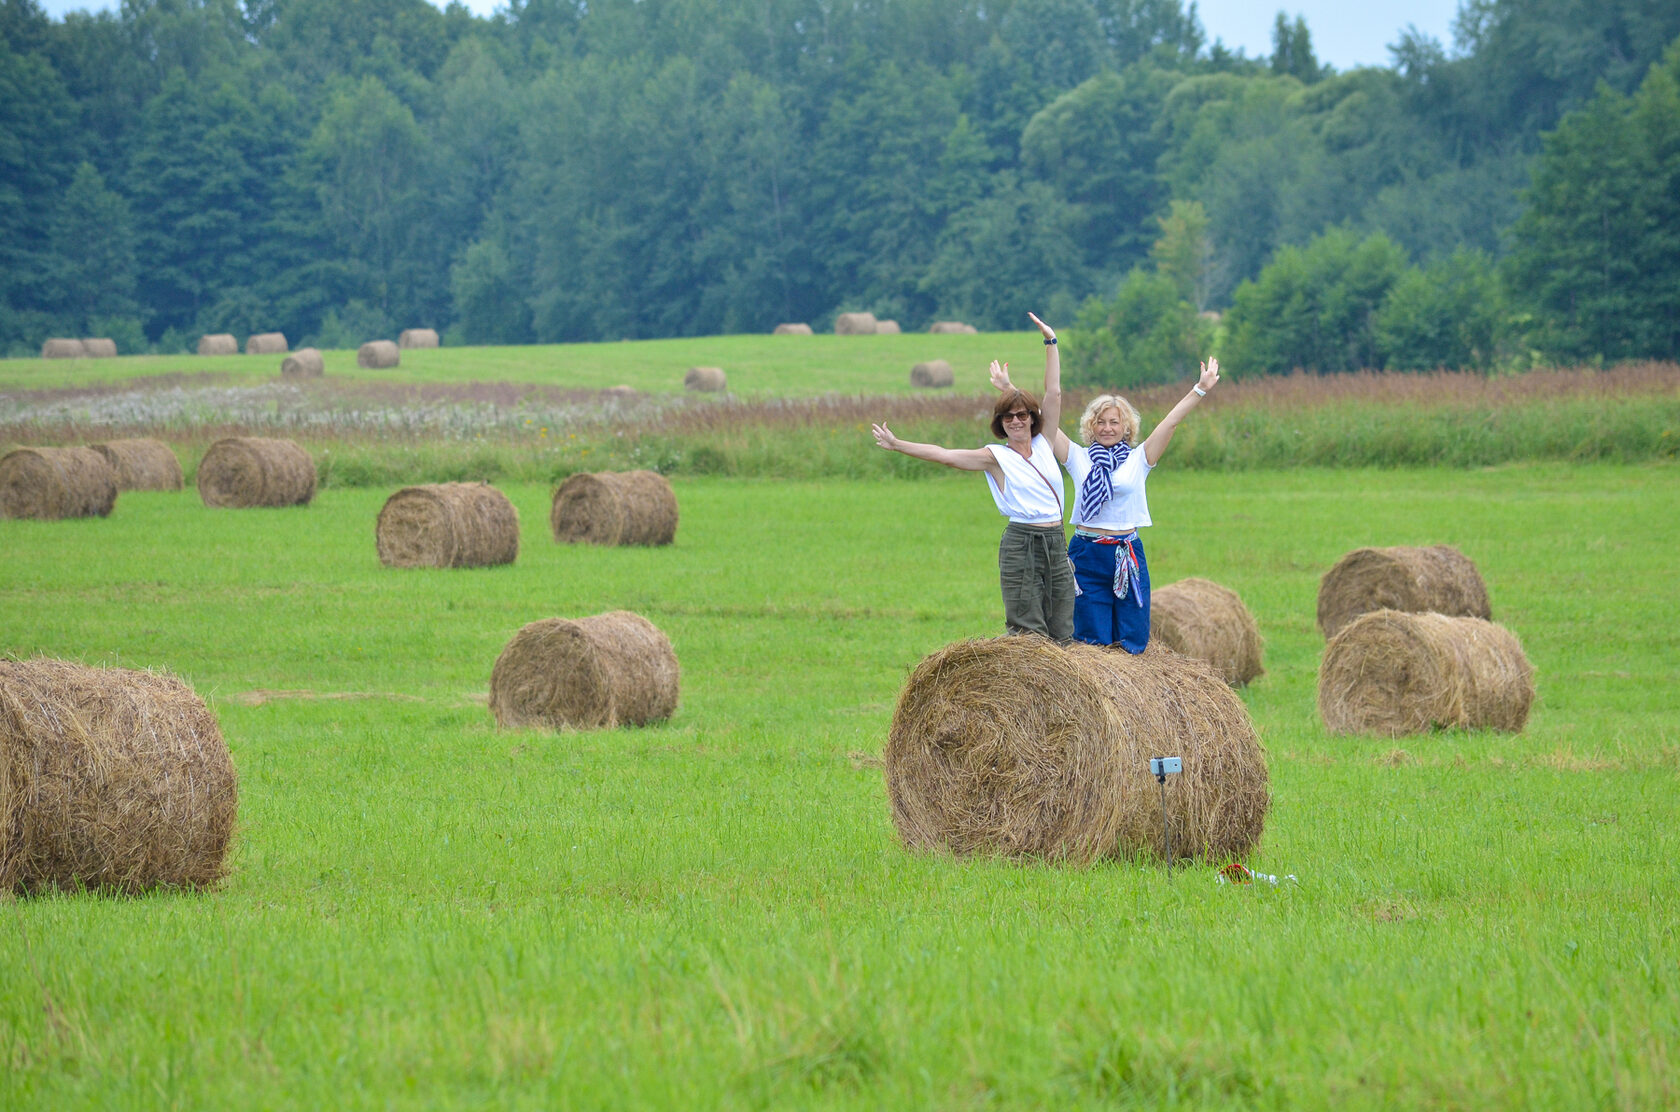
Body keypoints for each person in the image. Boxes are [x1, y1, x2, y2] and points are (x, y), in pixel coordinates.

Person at [992, 333, 1220, 651]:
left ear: (1126, 427)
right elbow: (1040, 423)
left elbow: (1170, 422)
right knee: (1089, 639)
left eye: (1114, 422)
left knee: (1132, 636)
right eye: (1100, 422)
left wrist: (1200, 389)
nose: (1107, 428)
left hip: (1126, 553)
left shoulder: (1140, 459)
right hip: (1086, 553)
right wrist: (1008, 388)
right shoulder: (1077, 457)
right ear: (1091, 426)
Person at [871, 313, 1074, 639]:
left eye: (1022, 415)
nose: (1016, 421)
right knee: (1029, 634)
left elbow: (1054, 393)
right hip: (1022, 542)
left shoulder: (1046, 442)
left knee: (1063, 629)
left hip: (1056, 540)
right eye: (1008, 417)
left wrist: (1051, 342)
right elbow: (944, 455)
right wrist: (897, 445)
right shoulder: (996, 457)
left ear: (1032, 419)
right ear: (1000, 422)